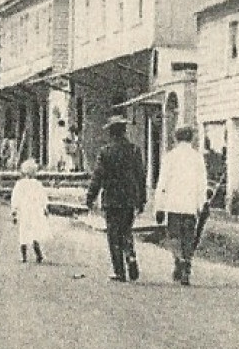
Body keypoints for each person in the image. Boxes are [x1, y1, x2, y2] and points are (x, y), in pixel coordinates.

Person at [85, 115, 146, 282]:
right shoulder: (134, 150)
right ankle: (131, 255)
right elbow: (141, 176)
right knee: (126, 230)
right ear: (124, 131)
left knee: (113, 235)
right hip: (129, 198)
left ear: (111, 132)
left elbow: (97, 177)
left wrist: (90, 197)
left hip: (111, 198)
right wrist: (142, 200)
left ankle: (119, 271)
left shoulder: (105, 152)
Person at [153, 126, 210, 286]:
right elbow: (202, 183)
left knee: (174, 236)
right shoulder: (197, 158)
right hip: (190, 206)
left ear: (176, 138)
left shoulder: (170, 157)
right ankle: (186, 263)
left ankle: (179, 260)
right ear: (191, 138)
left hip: (173, 205)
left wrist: (159, 207)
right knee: (188, 237)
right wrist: (202, 203)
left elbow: (162, 182)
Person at [10, 159, 50, 264]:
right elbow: (43, 197)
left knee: (23, 232)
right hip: (34, 211)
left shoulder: (20, 184)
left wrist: (14, 211)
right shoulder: (37, 184)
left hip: (24, 211)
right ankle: (39, 255)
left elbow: (15, 198)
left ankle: (24, 256)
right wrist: (45, 208)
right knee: (35, 232)